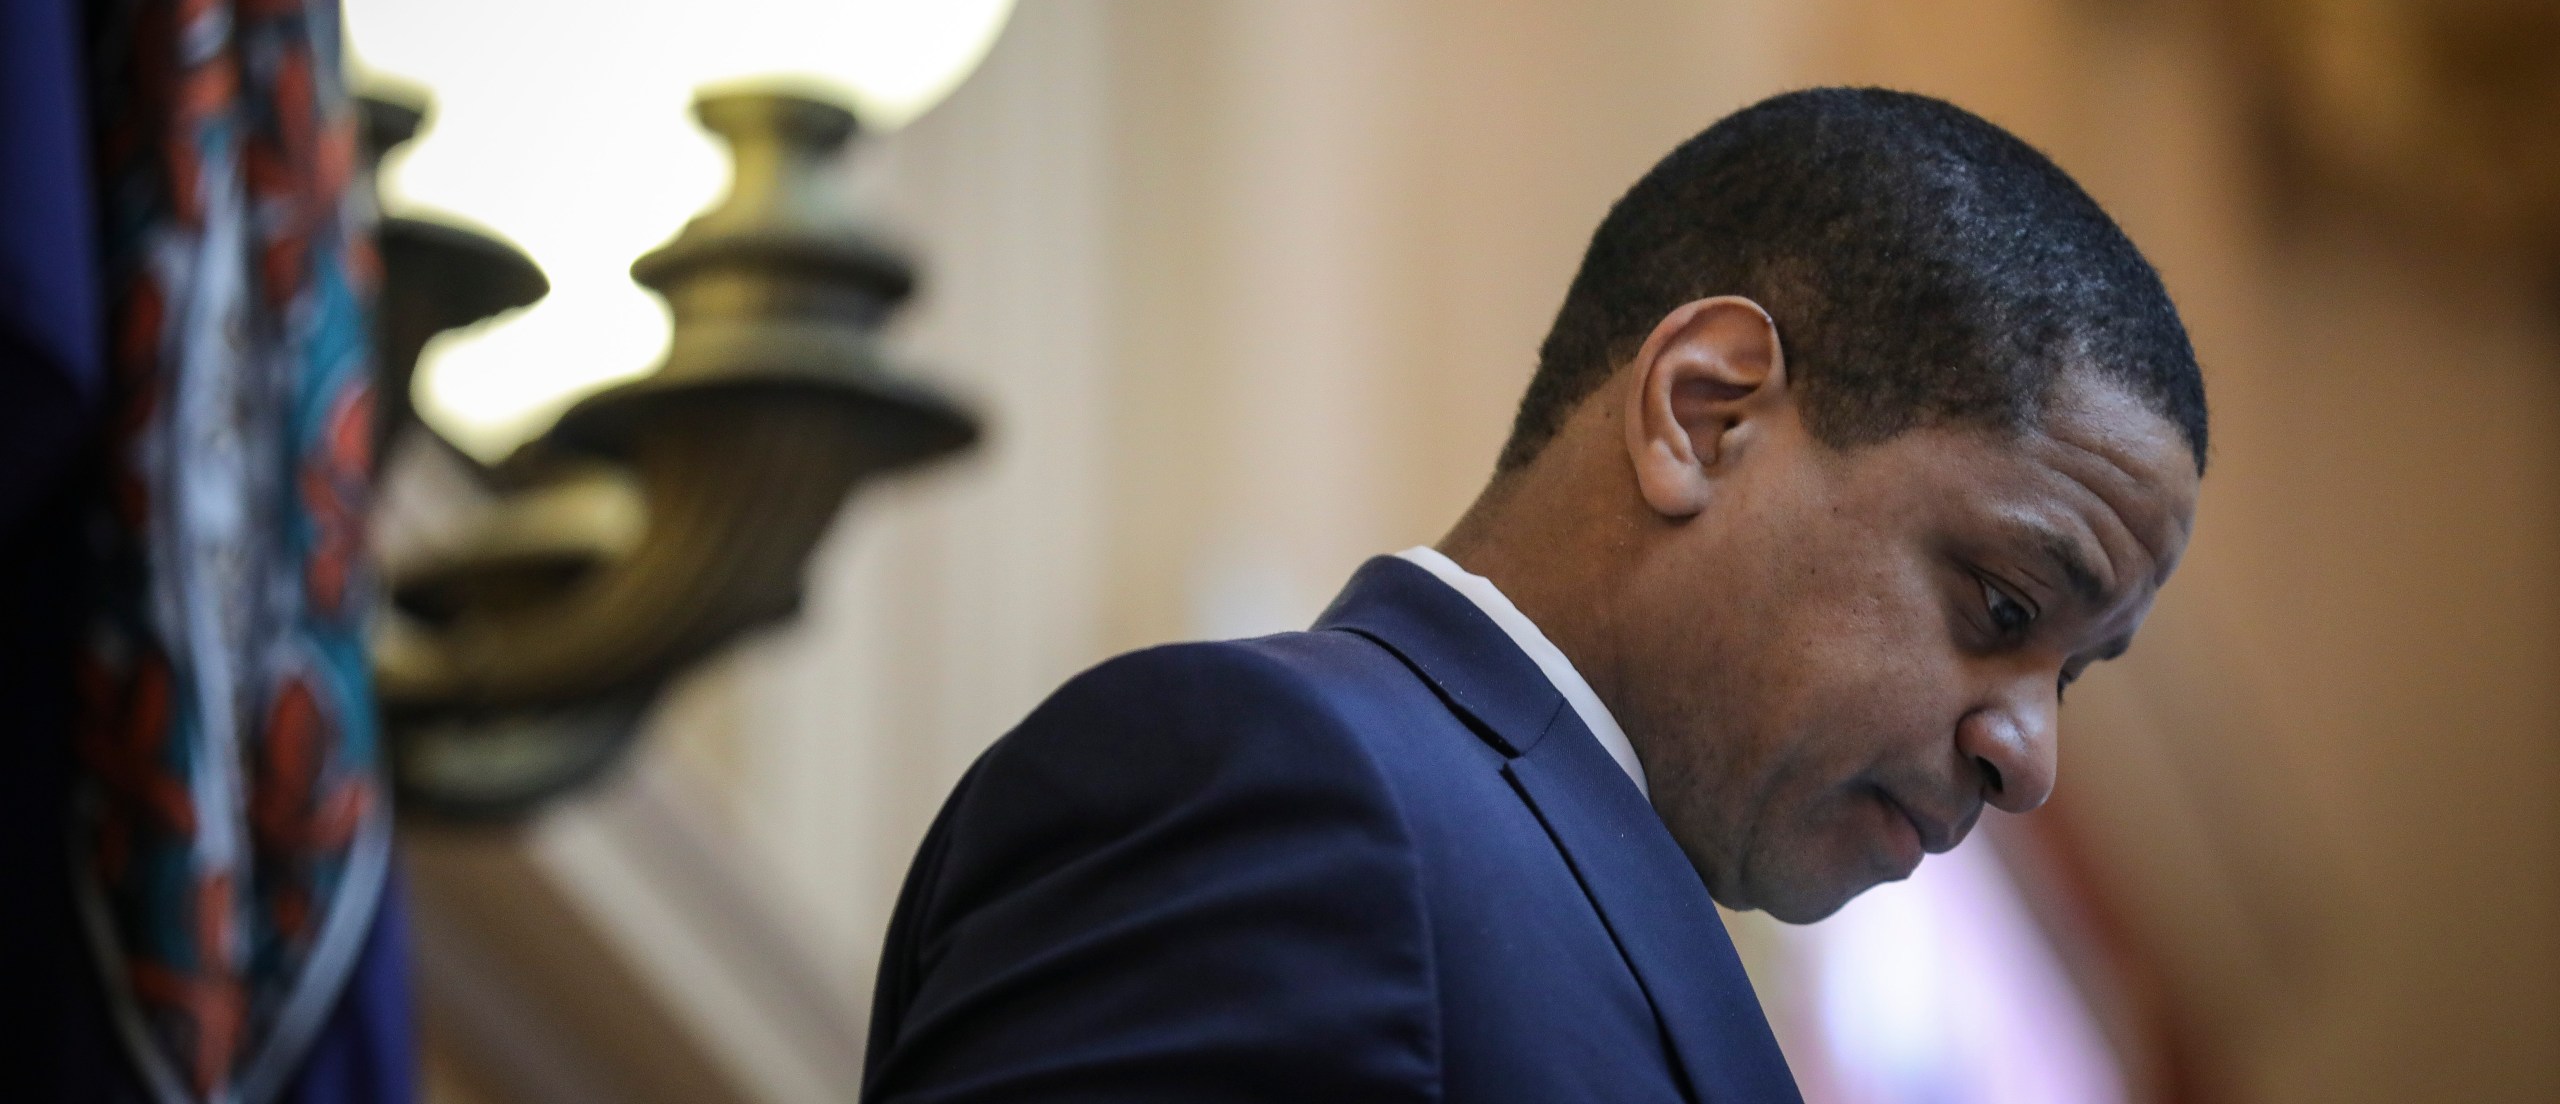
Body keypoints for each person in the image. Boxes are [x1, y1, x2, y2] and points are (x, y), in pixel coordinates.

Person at [860, 87, 2207, 1103]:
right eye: (2007, 609)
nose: (2027, 758)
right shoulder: (1286, 795)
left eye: (2070, 675)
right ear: (1706, 414)